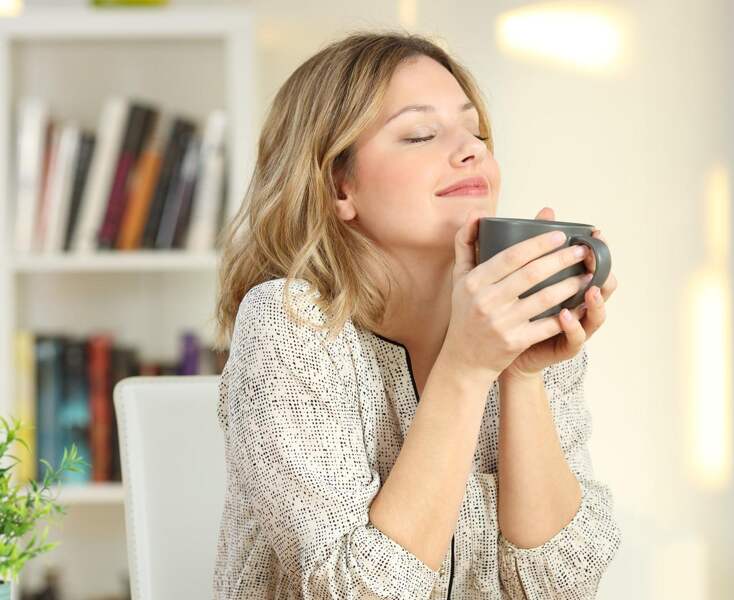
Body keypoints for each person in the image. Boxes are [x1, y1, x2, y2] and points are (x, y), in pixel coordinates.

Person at [211, 31, 620, 599]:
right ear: (339, 187)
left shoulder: (518, 320)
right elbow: (358, 591)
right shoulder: (289, 324)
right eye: (421, 134)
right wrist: (466, 368)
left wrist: (521, 373)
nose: (471, 150)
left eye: (476, 132)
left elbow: (559, 587)